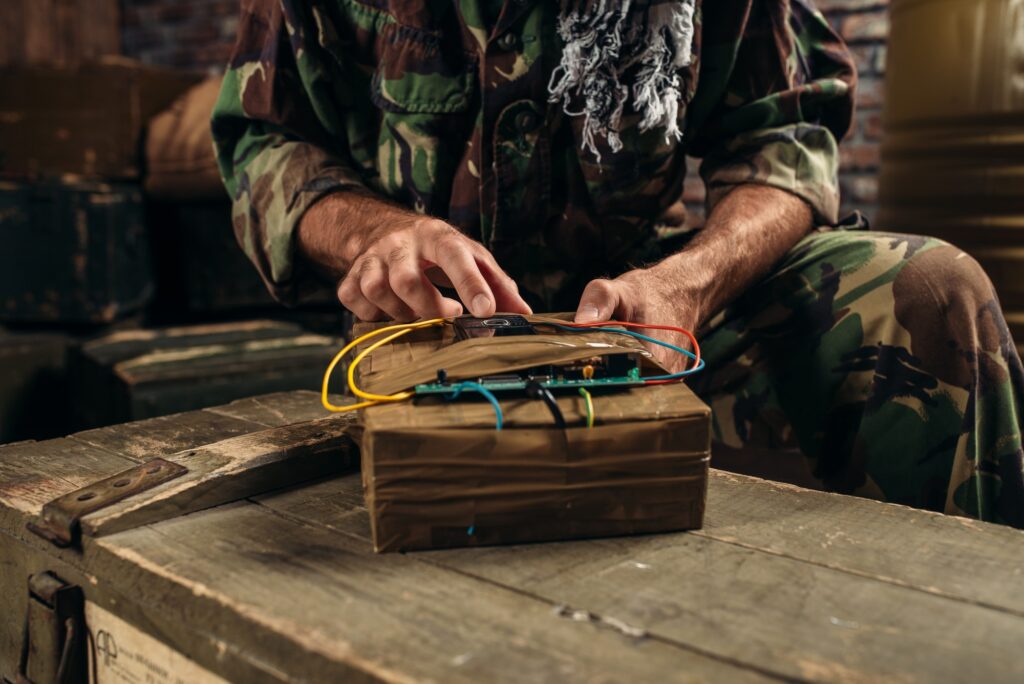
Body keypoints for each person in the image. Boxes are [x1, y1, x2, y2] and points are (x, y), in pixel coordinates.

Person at [212, 0, 1024, 527]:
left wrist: (688, 282)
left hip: (655, 335)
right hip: (431, 338)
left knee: (933, 292)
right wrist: (377, 238)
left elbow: (782, 136)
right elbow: (264, 139)